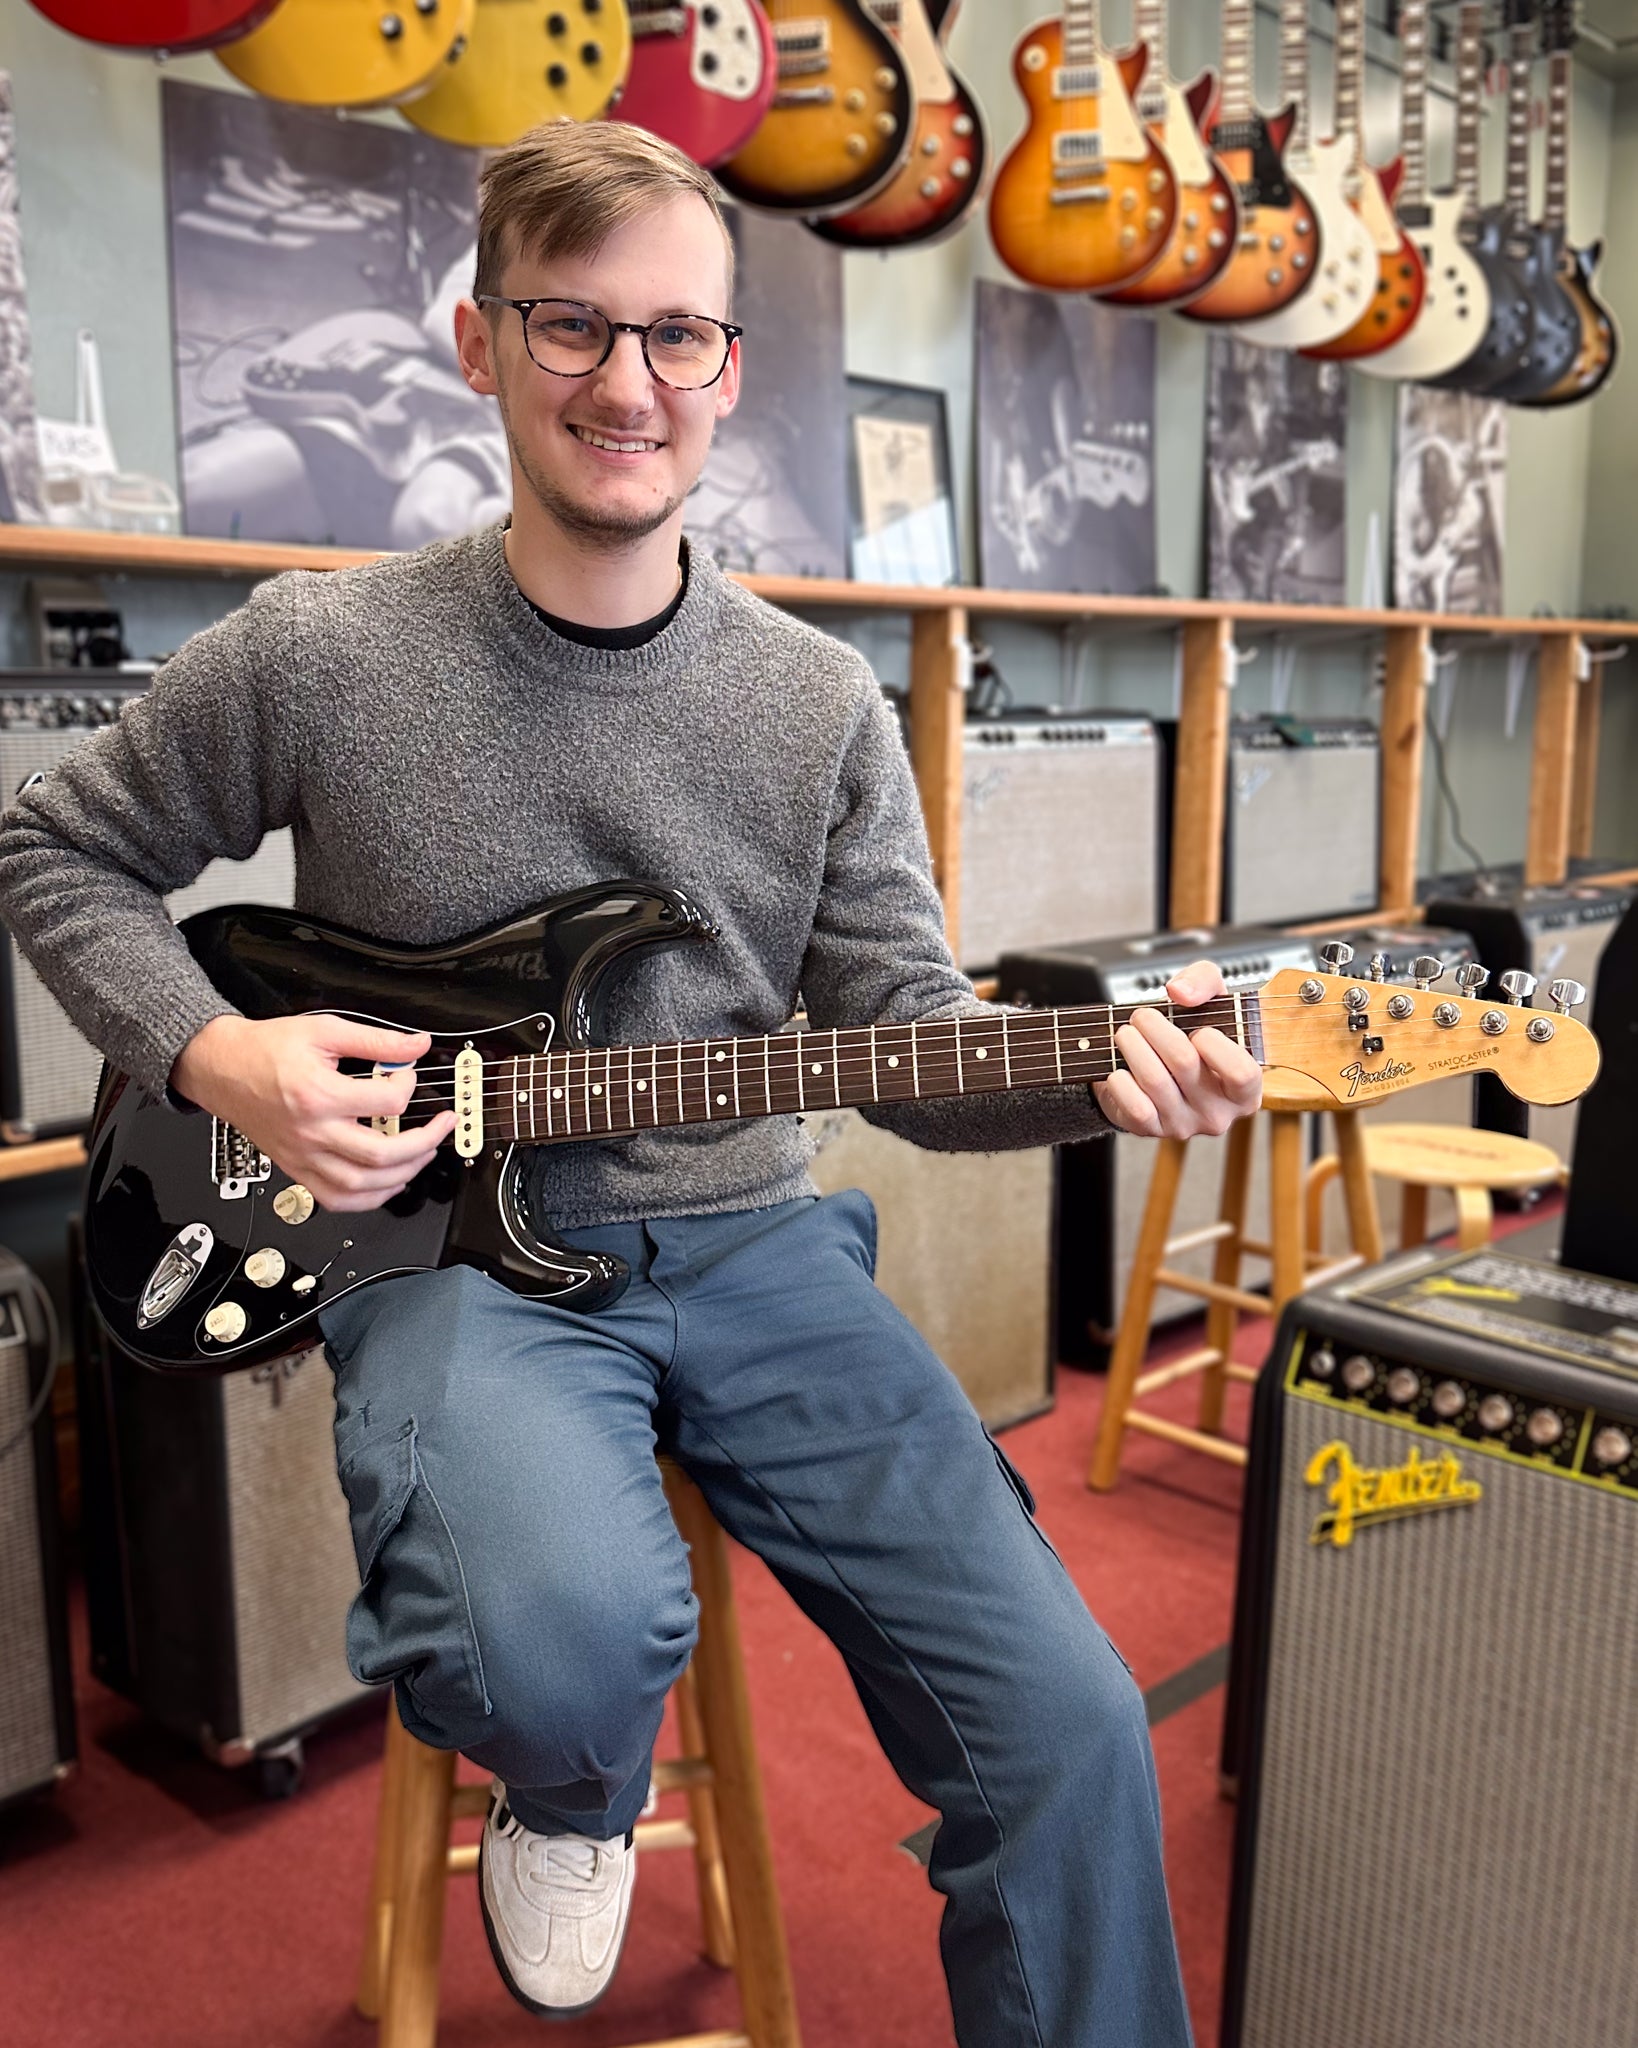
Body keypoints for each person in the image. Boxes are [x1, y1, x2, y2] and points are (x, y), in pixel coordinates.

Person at [0, 124, 1261, 2046]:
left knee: (1071, 1728)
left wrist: (1104, 1083)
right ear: (479, 345)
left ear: (728, 369)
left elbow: (907, 1040)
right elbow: (55, 852)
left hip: (759, 1250)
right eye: (572, 326)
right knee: (561, 1642)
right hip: (458, 1264)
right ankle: (573, 1784)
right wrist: (218, 1051)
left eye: (677, 336)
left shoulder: (816, 705)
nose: (626, 383)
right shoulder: (322, 653)